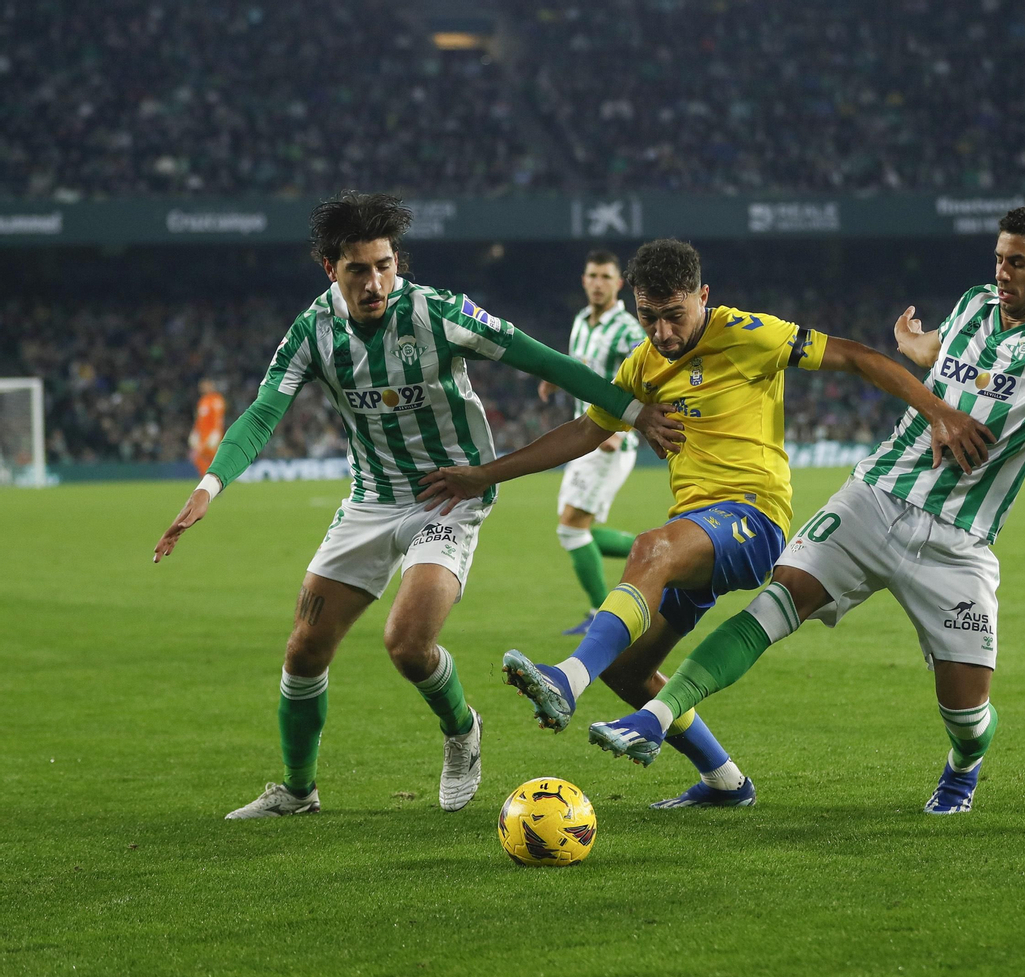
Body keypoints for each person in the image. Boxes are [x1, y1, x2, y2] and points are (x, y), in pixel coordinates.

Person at [587, 206, 1025, 814]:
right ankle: (656, 718)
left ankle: (962, 767)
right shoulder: (975, 304)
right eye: (999, 257)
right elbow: (937, 353)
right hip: (873, 496)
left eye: (1017, 263)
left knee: (967, 715)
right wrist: (913, 343)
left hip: (957, 538)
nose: (1001, 272)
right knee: (777, 602)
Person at [151, 191, 681, 820]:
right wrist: (209, 487)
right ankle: (297, 792)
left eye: (384, 265)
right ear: (331, 269)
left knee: (406, 643)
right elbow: (265, 412)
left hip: (448, 495)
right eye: (358, 270)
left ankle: (462, 733)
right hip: (370, 500)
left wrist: (635, 412)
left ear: (396, 259)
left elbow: (542, 359)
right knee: (302, 653)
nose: (375, 283)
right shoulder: (312, 332)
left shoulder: (438, 313)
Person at [418, 237, 991, 808]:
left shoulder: (747, 334)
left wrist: (938, 412)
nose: (662, 333)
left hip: (753, 519)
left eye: (674, 316)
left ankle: (566, 680)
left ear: (703, 297)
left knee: (649, 550)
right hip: (697, 532)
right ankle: (725, 782)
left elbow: (857, 357)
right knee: (628, 669)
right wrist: (484, 474)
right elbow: (582, 433)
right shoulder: (644, 364)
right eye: (649, 317)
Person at [540, 250, 649, 635]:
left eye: (606, 276)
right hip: (582, 437)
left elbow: (647, 379)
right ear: (584, 280)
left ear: (618, 283)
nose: (598, 282)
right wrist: (555, 377)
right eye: (592, 275)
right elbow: (580, 365)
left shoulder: (628, 330)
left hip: (608, 441)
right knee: (574, 528)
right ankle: (661, 551)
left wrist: (625, 428)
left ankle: (601, 616)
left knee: (571, 527)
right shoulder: (581, 323)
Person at [189, 379, 226, 476]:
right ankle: (210, 480)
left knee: (208, 458)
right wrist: (195, 433)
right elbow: (199, 420)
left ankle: (214, 480)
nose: (202, 388)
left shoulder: (216, 399)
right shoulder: (202, 400)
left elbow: (218, 419)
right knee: (201, 458)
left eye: (204, 386)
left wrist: (216, 434)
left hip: (211, 436)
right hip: (202, 436)